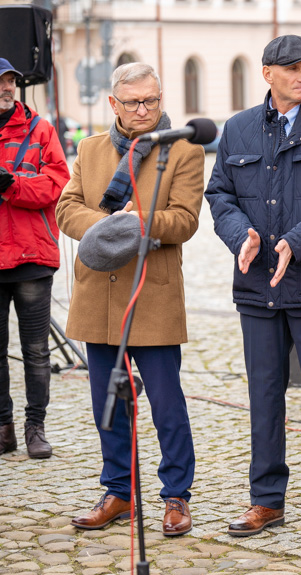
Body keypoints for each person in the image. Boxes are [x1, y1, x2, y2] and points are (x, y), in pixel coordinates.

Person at [205, 35, 301, 542]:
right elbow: (220, 194)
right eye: (294, 68)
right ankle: (265, 500)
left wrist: (296, 241)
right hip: (257, 289)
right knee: (264, 396)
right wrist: (241, 235)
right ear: (267, 73)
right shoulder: (237, 129)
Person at [56, 62, 202, 537]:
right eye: (134, 102)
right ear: (114, 104)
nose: (145, 110)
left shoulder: (182, 148)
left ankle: (176, 495)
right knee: (108, 402)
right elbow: (66, 207)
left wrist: (133, 223)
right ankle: (118, 492)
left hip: (152, 292)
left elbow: (183, 220)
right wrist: (104, 230)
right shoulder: (90, 147)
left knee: (166, 403)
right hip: (99, 293)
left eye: (152, 101)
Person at [0, 57, 70, 459]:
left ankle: (34, 428)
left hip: (31, 255)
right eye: (1, 82)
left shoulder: (39, 129)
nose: (7, 87)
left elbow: (57, 184)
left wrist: (11, 186)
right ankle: (4, 428)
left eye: (10, 81)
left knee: (35, 350)